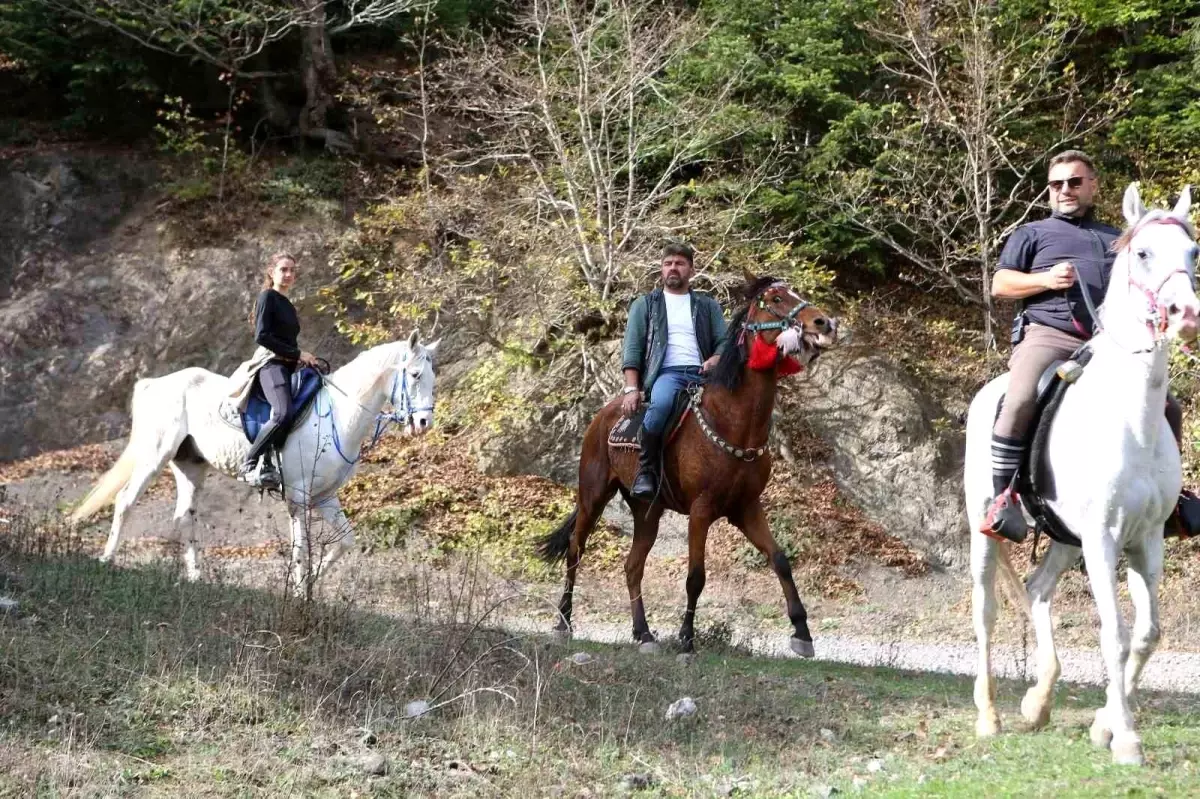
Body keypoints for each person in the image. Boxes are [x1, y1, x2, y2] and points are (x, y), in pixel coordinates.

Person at [983, 150, 1199, 541]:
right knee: (1019, 398)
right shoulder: (1031, 234)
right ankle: (1003, 498)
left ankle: (1172, 500)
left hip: (1105, 344)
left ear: (1092, 186)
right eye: (1056, 184)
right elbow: (1000, 285)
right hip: (1049, 335)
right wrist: (1046, 280)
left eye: (1074, 182)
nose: (1065, 190)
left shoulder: (1116, 240)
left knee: (1168, 405)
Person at [621, 243, 727, 500]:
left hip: (705, 374)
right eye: (668, 263)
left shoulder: (707, 305)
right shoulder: (645, 305)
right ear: (661, 269)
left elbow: (724, 341)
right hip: (668, 374)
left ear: (691, 269)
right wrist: (632, 389)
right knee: (660, 406)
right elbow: (633, 349)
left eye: (679, 263)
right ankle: (646, 472)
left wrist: (716, 358)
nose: (673, 268)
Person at [239, 252, 319, 489]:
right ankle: (250, 462)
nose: (288, 275)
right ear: (271, 272)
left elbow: (287, 341)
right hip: (270, 364)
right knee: (283, 413)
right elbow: (262, 336)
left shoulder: (287, 304)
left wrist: (303, 358)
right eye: (283, 269)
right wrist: (298, 354)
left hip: (288, 365)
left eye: (292, 271)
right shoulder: (267, 297)